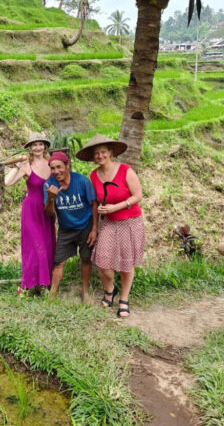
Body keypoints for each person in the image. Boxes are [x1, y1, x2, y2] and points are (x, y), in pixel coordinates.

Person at [76, 134, 144, 318]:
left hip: (129, 221)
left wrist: (117, 206)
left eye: (103, 152)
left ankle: (124, 299)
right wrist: (96, 223)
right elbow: (97, 202)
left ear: (111, 152)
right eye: (96, 153)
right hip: (109, 222)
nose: (100, 156)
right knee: (102, 262)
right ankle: (110, 289)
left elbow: (138, 195)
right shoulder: (94, 175)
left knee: (126, 263)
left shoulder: (125, 170)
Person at [44, 151, 98, 303]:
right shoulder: (49, 185)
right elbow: (49, 213)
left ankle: (85, 290)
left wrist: (94, 229)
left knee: (86, 258)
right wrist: (51, 198)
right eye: (52, 168)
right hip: (66, 228)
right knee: (59, 261)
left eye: (59, 167)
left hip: (85, 226)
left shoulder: (82, 181)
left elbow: (94, 204)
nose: (56, 171)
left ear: (67, 165)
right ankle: (52, 294)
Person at [5, 132, 55, 295]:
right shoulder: (26, 165)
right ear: (30, 147)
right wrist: (17, 166)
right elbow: (7, 182)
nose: (38, 147)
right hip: (31, 210)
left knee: (47, 246)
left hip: (48, 209)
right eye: (34, 145)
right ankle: (26, 284)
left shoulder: (51, 163)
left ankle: (44, 284)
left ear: (45, 146)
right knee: (34, 247)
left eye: (40, 144)